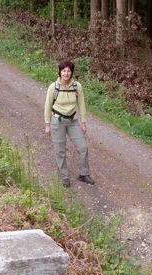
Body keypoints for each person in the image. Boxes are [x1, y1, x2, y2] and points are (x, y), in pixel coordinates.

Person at [44, 60, 95, 188]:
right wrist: (47, 124)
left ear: (72, 72)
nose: (66, 73)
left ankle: (84, 174)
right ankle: (64, 177)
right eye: (64, 71)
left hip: (73, 121)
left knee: (83, 148)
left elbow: (81, 105)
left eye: (68, 71)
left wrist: (83, 122)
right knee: (60, 151)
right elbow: (47, 106)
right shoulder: (53, 87)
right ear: (60, 72)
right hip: (57, 121)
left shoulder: (77, 86)